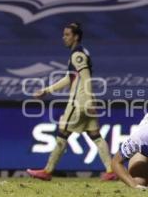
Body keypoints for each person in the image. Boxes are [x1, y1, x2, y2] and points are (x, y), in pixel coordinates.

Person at [27, 22, 117, 181]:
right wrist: (47, 90)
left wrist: (89, 101)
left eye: (67, 35)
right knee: (95, 135)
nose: (64, 38)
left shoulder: (77, 55)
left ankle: (47, 171)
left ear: (76, 37)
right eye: (64, 34)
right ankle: (110, 170)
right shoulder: (79, 52)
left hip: (79, 102)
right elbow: (70, 78)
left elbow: (86, 77)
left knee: (62, 133)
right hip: (86, 100)